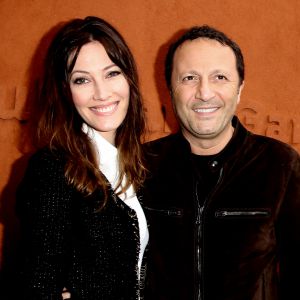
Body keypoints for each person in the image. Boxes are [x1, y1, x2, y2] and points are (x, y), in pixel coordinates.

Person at [143, 25, 300, 300]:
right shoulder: (141, 165)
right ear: (170, 88)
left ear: (239, 89)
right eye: (189, 78)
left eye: (220, 77)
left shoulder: (280, 165)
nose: (205, 92)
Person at [15, 16, 148, 300]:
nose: (101, 93)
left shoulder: (139, 163)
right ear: (65, 90)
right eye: (82, 79)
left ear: (129, 78)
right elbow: (35, 286)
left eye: (112, 73)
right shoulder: (52, 170)